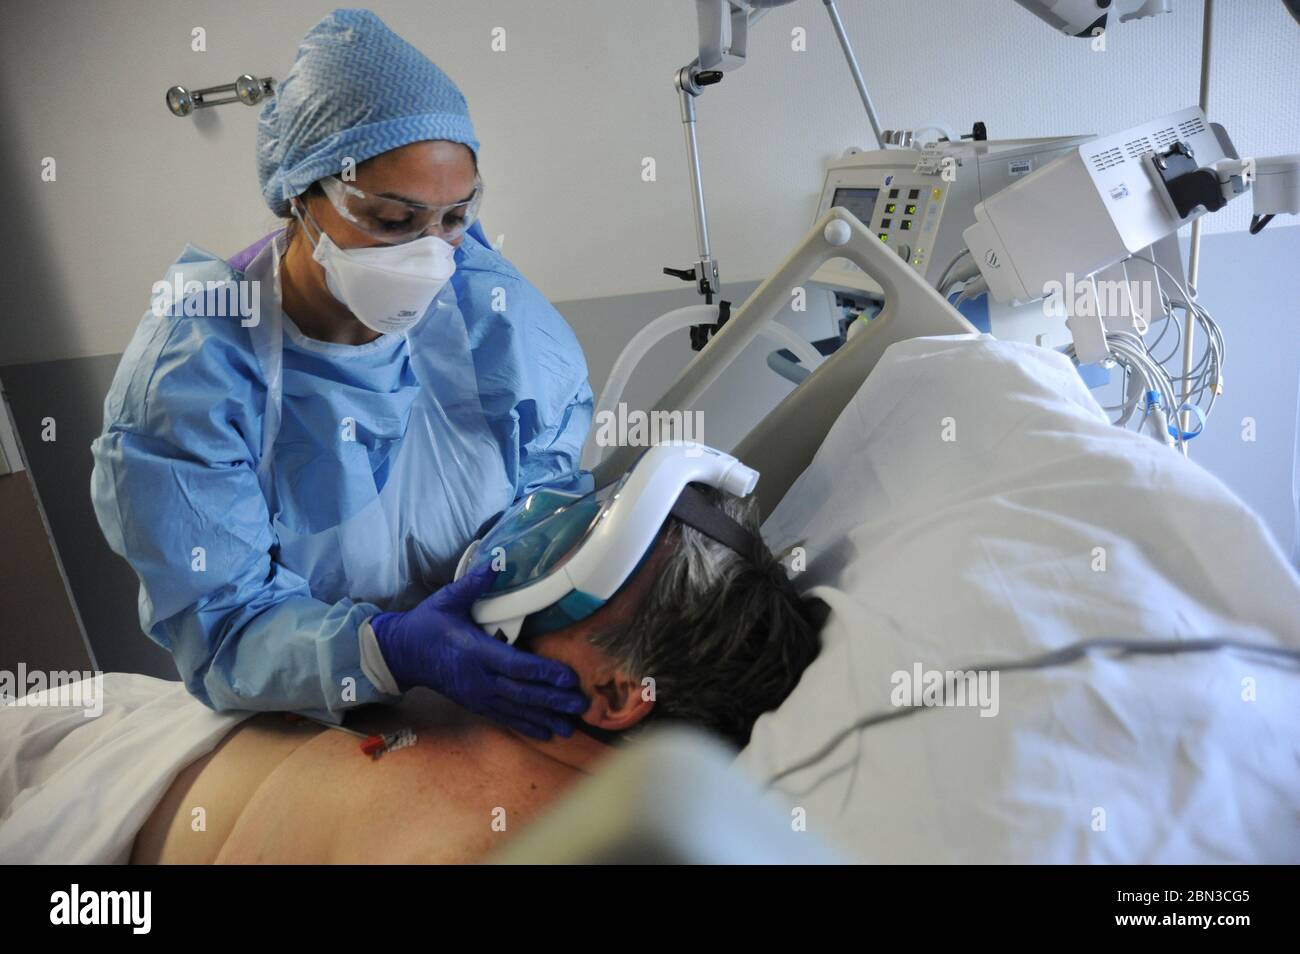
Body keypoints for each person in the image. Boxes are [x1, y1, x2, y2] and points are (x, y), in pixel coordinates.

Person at [90, 10, 594, 732]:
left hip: (491, 683)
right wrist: (385, 652)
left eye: (454, 218)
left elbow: (550, 499)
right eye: (393, 221)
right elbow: (224, 626)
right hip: (307, 721)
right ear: (301, 194)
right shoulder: (192, 376)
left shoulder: (496, 314)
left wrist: (525, 587)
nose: (432, 255)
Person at [131, 484, 825, 863]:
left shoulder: (470, 847)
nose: (543, 547)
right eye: (591, 524)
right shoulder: (508, 714)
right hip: (153, 727)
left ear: (615, 691)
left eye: (583, 562)